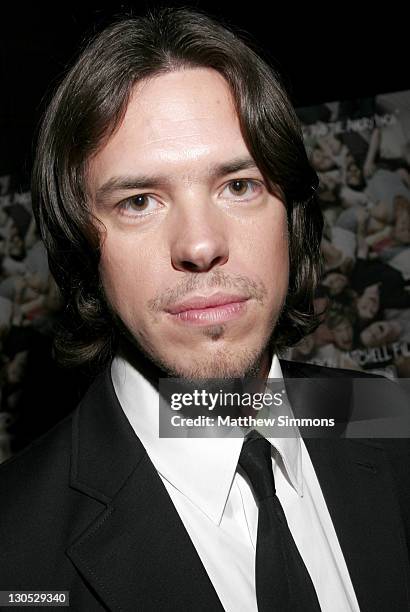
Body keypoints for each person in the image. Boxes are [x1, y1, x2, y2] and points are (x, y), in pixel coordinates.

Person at [0, 7, 409, 612]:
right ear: (83, 246)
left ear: (291, 216)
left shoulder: (381, 416)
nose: (199, 244)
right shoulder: (15, 550)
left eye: (238, 186)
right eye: (140, 200)